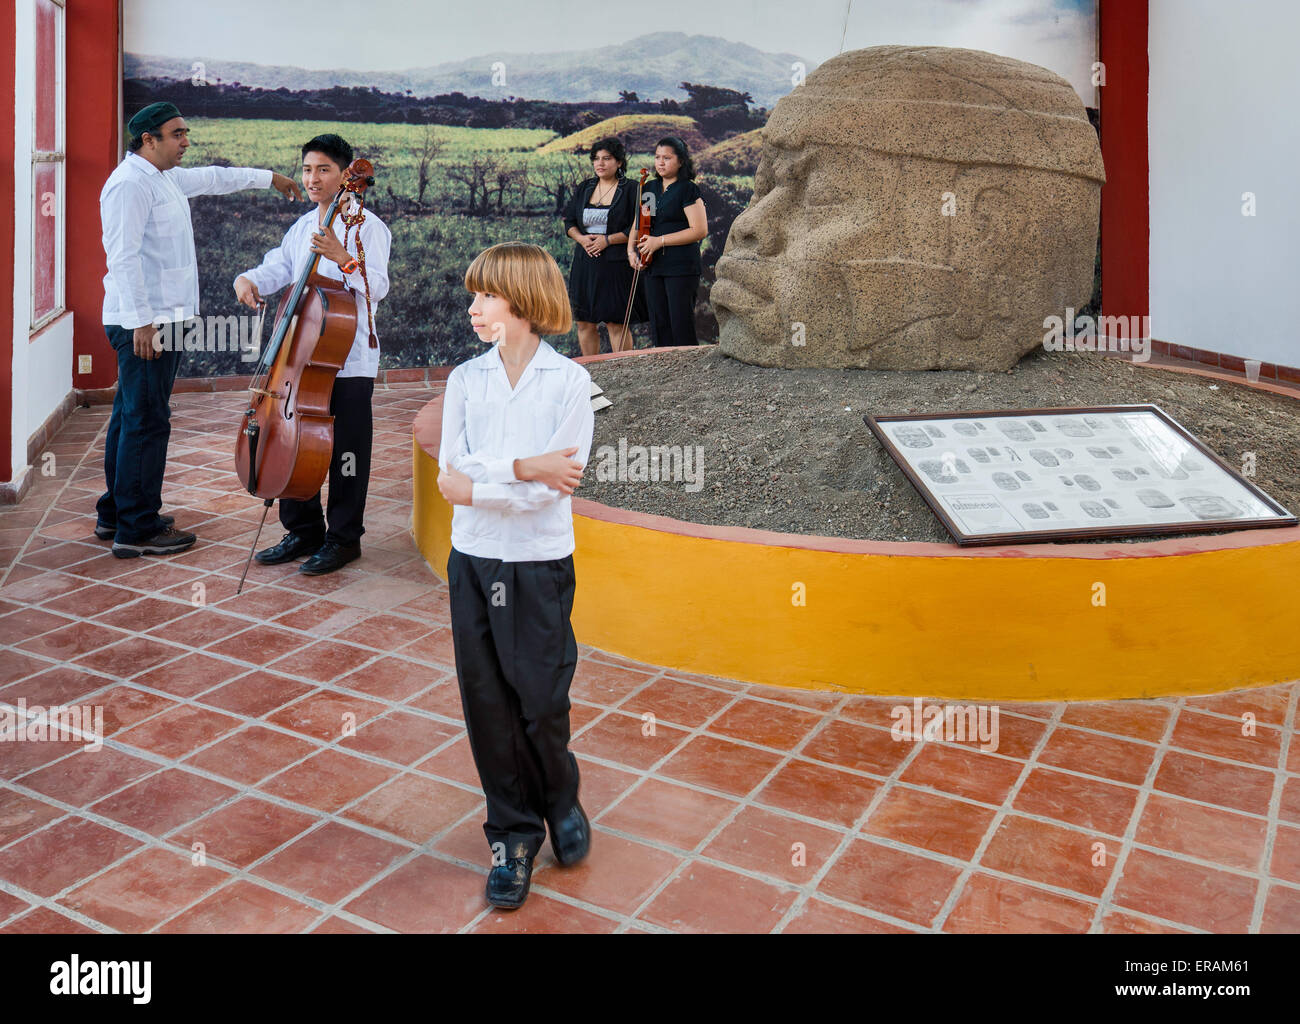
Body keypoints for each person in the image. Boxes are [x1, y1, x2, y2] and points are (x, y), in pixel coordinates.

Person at [437, 241, 595, 910]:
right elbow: (450, 476)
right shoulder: (464, 381)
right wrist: (524, 468)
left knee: (541, 702)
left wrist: (498, 479)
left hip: (538, 568)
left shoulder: (570, 386)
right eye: (473, 295)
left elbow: (549, 492)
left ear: (524, 302)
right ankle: (513, 835)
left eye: (485, 296)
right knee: (488, 705)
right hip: (472, 561)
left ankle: (561, 797)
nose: (472, 308)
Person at [97, 101, 302, 557]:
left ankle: (116, 511)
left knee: (130, 416)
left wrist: (269, 177)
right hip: (147, 325)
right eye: (177, 134)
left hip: (161, 320)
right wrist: (142, 324)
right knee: (147, 422)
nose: (186, 141)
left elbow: (215, 178)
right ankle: (137, 528)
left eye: (185, 132)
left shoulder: (163, 177)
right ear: (148, 139)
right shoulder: (130, 186)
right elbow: (123, 259)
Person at [236, 134, 392, 576]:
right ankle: (303, 529)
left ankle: (344, 539)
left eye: (323, 169)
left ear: (346, 176)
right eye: (306, 169)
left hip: (347, 357)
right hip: (299, 356)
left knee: (347, 450)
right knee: (294, 440)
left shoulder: (367, 227)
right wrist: (249, 279)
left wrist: (343, 259)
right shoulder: (304, 226)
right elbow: (281, 267)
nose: (312, 178)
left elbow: (378, 286)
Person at [562, 137, 646, 354]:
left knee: (615, 322)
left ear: (619, 162)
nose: (600, 163)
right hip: (585, 263)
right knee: (584, 322)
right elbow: (569, 221)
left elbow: (642, 226)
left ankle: (624, 370)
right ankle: (593, 373)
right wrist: (581, 239)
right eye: (596, 159)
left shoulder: (633, 189)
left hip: (615, 265)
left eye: (607, 158)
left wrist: (607, 240)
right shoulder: (584, 187)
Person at [628, 136, 708, 347]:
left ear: (681, 161)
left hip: (681, 266)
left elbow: (699, 230)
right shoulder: (650, 188)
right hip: (653, 265)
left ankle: (689, 375)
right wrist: (631, 251)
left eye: (667, 158)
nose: (660, 162)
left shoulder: (687, 189)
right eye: (657, 157)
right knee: (660, 326)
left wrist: (660, 241)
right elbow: (641, 223)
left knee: (680, 326)